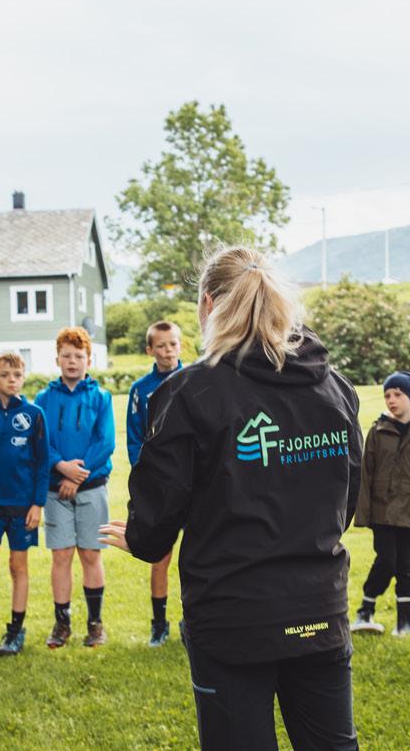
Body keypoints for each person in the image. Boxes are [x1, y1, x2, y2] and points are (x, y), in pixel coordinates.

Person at [100, 245, 362, 751]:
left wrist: (144, 538)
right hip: (318, 607)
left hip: (231, 616)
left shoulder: (189, 391)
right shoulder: (335, 388)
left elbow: (158, 509)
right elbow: (345, 501)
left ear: (208, 304)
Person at [36, 325, 116, 649]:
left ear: (89, 360)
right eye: (66, 356)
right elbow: (41, 442)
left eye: (78, 356)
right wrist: (60, 467)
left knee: (90, 554)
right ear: (57, 359)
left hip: (91, 487)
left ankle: (95, 625)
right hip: (56, 491)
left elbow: (105, 442)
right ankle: (62, 624)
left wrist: (76, 475)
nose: (72, 361)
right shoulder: (43, 399)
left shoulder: (101, 397)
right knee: (61, 555)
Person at [352, 371, 410, 638]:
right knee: (386, 561)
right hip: (382, 514)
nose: (391, 400)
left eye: (397, 394)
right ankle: (365, 610)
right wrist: (363, 514)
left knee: (409, 566)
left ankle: (405, 622)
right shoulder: (377, 432)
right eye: (387, 395)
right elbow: (365, 475)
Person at [0, 352, 49, 656]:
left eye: (17, 375)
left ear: (23, 378)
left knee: (18, 566)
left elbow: (43, 462)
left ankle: (15, 630)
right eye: (4, 375)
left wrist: (37, 504)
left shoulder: (34, 414)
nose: (11, 380)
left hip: (21, 507)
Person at [127, 320, 185, 646]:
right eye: (161, 346)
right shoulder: (140, 390)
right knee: (160, 556)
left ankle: (193, 621)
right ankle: (159, 624)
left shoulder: (194, 378)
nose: (168, 351)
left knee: (197, 555)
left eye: (173, 344)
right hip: (160, 487)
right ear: (150, 350)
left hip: (193, 484)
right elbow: (134, 438)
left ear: (181, 345)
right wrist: (148, 477)